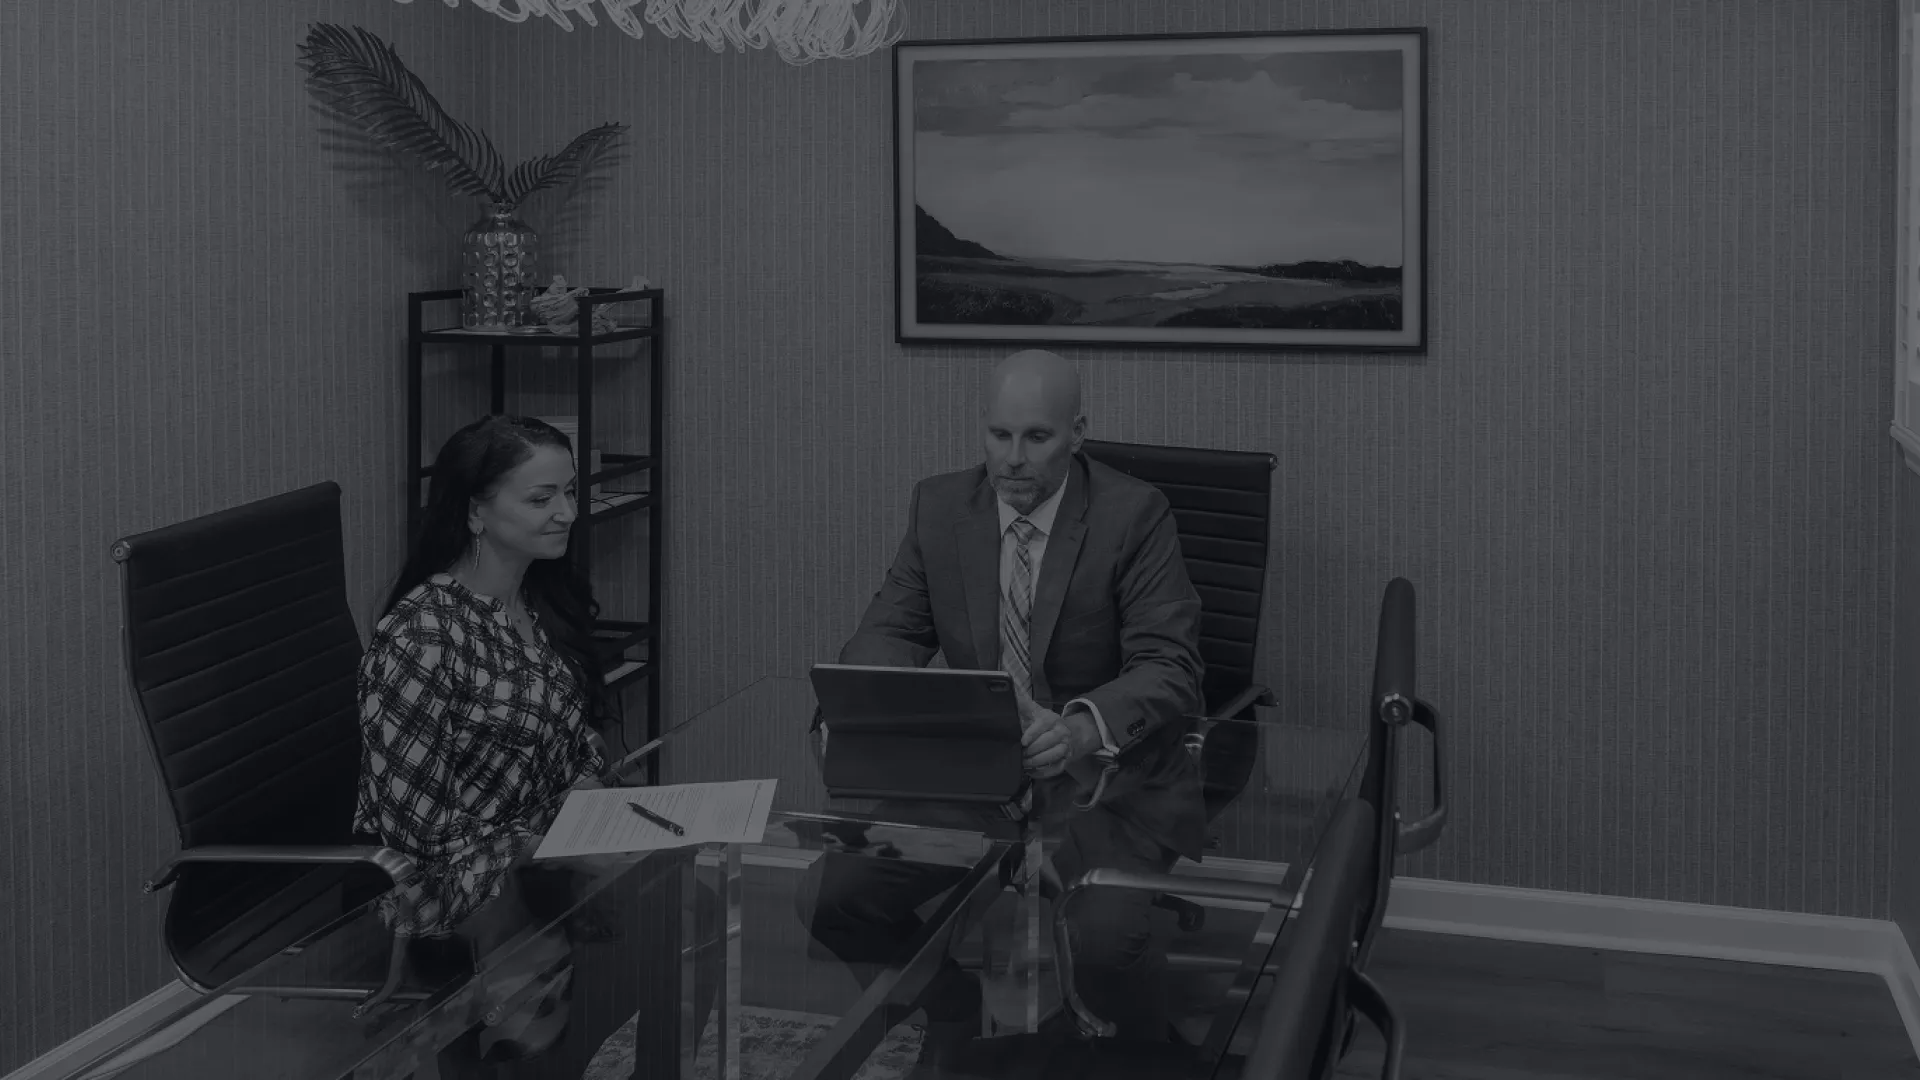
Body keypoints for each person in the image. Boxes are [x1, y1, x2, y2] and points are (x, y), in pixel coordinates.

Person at [798, 350, 1207, 1066]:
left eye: (1037, 438)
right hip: (976, 779)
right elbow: (889, 629)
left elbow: (1170, 666)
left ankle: (1139, 1055)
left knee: (1107, 945)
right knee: (832, 897)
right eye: (998, 436)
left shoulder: (1134, 515)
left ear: (1077, 432)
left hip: (1102, 786)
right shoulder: (939, 506)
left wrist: (1081, 727)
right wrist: (885, 696)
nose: (1012, 460)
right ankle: (949, 1008)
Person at [355, 414, 616, 1062]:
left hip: (542, 850)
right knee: (654, 919)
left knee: (680, 900)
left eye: (570, 493)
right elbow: (420, 831)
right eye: (540, 498)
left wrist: (586, 780)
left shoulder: (535, 600)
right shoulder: (421, 638)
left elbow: (572, 731)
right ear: (475, 512)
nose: (565, 513)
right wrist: (542, 849)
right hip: (461, 883)